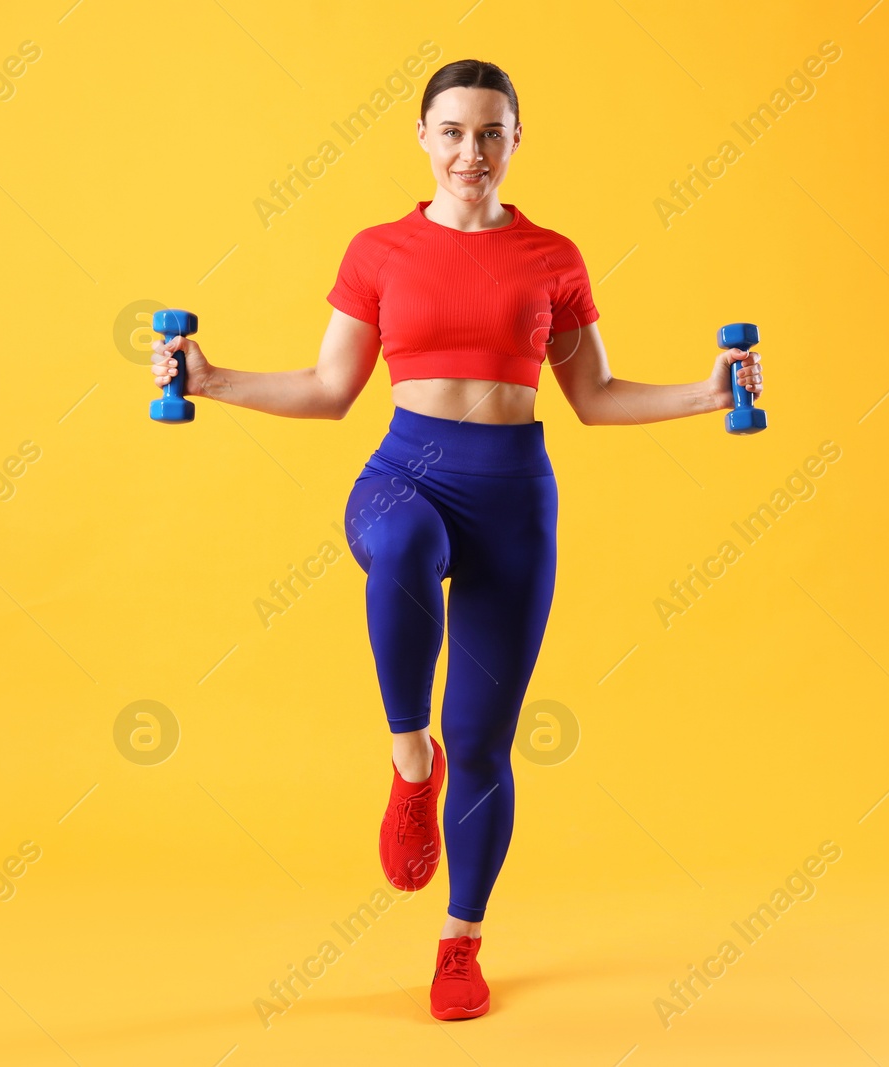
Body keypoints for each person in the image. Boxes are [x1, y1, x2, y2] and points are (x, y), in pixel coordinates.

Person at [148, 58, 764, 1021]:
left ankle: (458, 944)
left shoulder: (553, 259)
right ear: (423, 138)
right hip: (405, 474)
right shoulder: (379, 250)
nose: (470, 151)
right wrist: (209, 377)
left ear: (517, 140)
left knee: (485, 740)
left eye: (490, 132)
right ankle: (408, 765)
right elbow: (328, 390)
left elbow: (595, 400)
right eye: (452, 131)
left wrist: (710, 390)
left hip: (516, 499)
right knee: (400, 551)